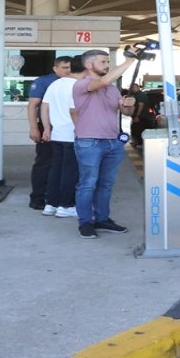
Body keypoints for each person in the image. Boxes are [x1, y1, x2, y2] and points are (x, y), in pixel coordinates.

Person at [71, 48, 139, 239]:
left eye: (108, 62)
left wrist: (129, 105)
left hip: (113, 142)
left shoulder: (112, 89)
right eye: (103, 62)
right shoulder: (81, 85)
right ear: (88, 65)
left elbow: (126, 113)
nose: (107, 65)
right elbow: (103, 81)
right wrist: (129, 61)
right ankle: (85, 223)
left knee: (106, 184)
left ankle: (102, 219)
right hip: (89, 142)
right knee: (87, 184)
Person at [40, 56, 85, 218]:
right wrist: (83, 130)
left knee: (55, 170)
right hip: (72, 135)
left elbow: (44, 107)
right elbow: (75, 111)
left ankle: (50, 204)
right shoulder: (77, 86)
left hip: (57, 134)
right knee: (70, 172)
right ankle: (66, 206)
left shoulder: (55, 84)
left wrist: (47, 128)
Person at [27, 57, 71, 212]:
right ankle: (38, 198)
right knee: (45, 162)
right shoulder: (44, 82)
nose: (68, 70)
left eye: (70, 67)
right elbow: (33, 106)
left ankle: (57, 198)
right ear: (55, 68)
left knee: (63, 164)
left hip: (66, 127)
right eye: (64, 67)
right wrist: (34, 128)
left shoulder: (73, 82)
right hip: (47, 126)